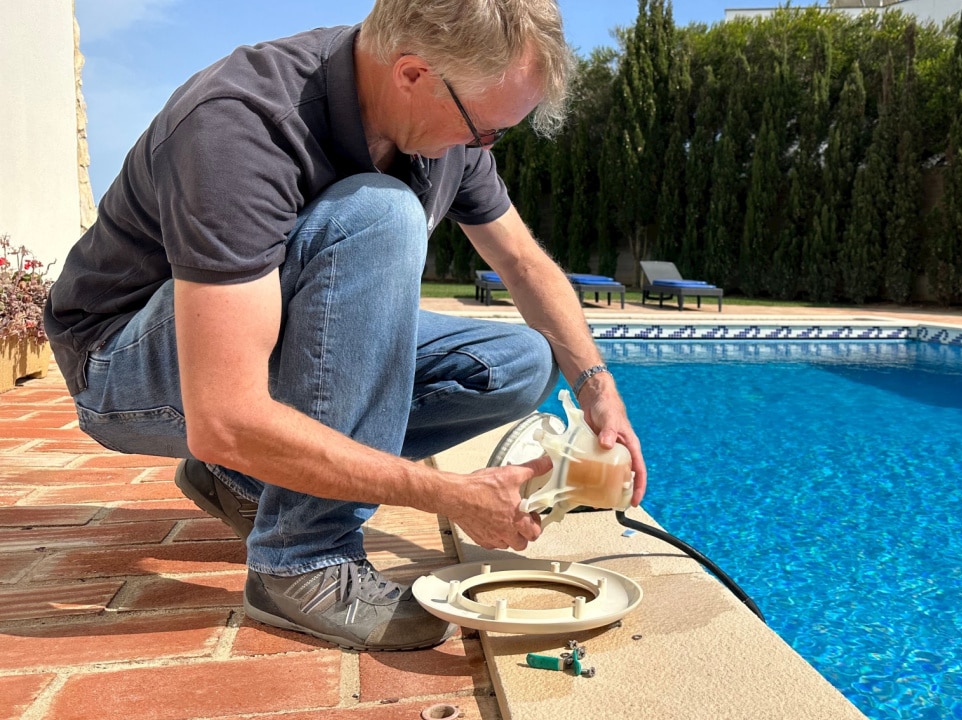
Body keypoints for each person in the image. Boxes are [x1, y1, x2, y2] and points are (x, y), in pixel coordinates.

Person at [44, 0, 647, 652]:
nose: (483, 148)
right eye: (484, 131)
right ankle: (304, 561)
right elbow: (223, 416)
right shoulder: (239, 126)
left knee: (521, 361)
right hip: (120, 358)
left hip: (252, 345)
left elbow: (523, 261)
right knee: (380, 215)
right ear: (413, 74)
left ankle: (243, 481)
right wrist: (445, 494)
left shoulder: (439, 127)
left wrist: (596, 386)